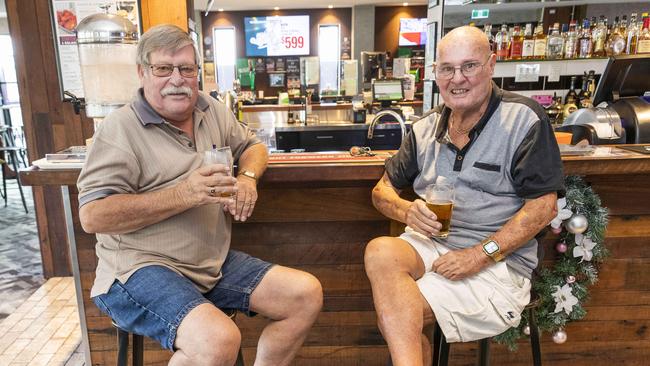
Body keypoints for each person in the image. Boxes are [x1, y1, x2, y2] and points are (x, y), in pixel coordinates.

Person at [78, 24, 322, 366]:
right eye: (163, 68)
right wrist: (183, 194)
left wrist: (249, 178)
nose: (177, 79)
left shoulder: (209, 109)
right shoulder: (119, 129)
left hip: (209, 264)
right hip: (137, 269)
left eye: (186, 69)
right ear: (142, 73)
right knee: (218, 339)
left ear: (196, 72)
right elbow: (93, 216)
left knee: (304, 295)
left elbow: (252, 145)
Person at [364, 26, 564, 365]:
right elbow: (381, 192)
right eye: (447, 68)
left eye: (469, 65)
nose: (458, 78)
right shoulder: (425, 128)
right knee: (380, 250)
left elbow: (543, 208)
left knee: (398, 310)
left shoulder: (523, 119)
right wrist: (404, 210)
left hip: (498, 263)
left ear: (491, 65)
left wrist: (479, 254)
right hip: (430, 245)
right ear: (436, 74)